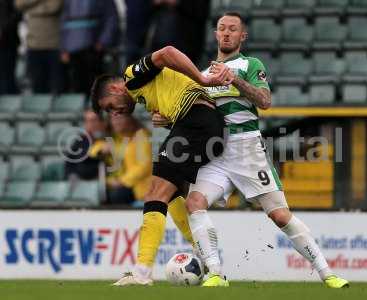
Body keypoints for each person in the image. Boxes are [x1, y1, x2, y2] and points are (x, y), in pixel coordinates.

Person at [183, 12, 350, 288]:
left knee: (279, 215)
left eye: (232, 29)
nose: (226, 33)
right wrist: (165, 116)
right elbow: (193, 114)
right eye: (222, 28)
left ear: (242, 36)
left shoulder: (250, 64)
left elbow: (265, 100)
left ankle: (327, 273)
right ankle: (215, 273)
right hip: (215, 152)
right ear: (215, 34)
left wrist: (233, 80)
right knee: (194, 203)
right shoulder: (202, 76)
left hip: (247, 149)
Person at [90, 45, 232, 285]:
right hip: (201, 125)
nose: (114, 114)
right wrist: (168, 119)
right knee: (173, 194)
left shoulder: (131, 77)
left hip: (196, 122)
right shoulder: (146, 93)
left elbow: (166, 53)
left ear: (116, 88)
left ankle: (142, 272)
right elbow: (176, 89)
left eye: (110, 107)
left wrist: (202, 79)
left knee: (154, 192)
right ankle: (208, 260)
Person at [89, 114, 152, 205]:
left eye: (119, 119)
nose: (116, 123)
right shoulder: (117, 137)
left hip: (139, 187)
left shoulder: (142, 137)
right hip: (120, 184)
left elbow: (144, 167)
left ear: (130, 120)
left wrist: (121, 181)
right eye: (113, 120)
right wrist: (101, 149)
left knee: (116, 196)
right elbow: (94, 149)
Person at [60, 0, 120, 95]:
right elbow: (63, 22)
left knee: (95, 87)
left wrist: (102, 42)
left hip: (94, 49)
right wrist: (64, 48)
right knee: (77, 86)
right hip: (73, 51)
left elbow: (111, 18)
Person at [15, 0, 63, 93]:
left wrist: (30, 9)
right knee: (37, 84)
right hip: (33, 46)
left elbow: (55, 6)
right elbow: (19, 4)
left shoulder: (30, 11)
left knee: (56, 84)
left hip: (53, 45)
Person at [65, 110, 107, 180]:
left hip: (104, 181)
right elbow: (69, 162)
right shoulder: (80, 140)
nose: (90, 124)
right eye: (87, 121)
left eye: (93, 120)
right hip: (81, 183)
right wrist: (72, 175)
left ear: (102, 122)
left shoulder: (108, 138)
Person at [0, 0, 21, 95]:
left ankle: (9, 103)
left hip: (8, 43)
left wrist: (3, 29)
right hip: (7, 42)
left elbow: (18, 14)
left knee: (7, 77)